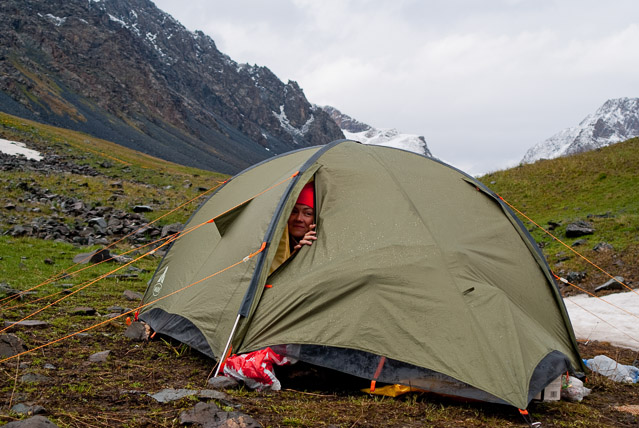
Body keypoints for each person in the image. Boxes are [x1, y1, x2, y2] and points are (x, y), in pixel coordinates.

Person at [269, 181, 317, 274]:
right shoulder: (271, 243)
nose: (299, 219)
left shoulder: (320, 247)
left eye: (308, 213)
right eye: (294, 211)